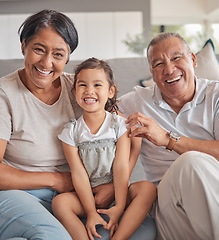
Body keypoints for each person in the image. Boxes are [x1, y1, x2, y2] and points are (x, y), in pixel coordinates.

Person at [0, 9, 155, 240]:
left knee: (143, 230)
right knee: (52, 236)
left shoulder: (80, 88)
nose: (46, 62)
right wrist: (56, 180)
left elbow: (121, 133)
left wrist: (113, 187)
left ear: (67, 57)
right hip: (9, 193)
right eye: (38, 49)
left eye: (58, 54)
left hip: (70, 197)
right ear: (23, 45)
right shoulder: (1, 93)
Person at [118, 32, 219, 239]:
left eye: (177, 58)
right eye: (158, 64)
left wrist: (169, 140)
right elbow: (93, 98)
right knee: (191, 162)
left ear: (193, 60)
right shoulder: (133, 102)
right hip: (175, 204)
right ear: (151, 71)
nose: (169, 69)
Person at [52, 57, 157, 240]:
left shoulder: (118, 125)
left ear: (111, 91)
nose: (89, 91)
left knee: (147, 189)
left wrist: (119, 204)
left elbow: (121, 166)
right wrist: (91, 212)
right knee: (60, 203)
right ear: (74, 91)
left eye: (97, 85)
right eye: (82, 85)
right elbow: (78, 174)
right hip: (88, 195)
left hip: (119, 190)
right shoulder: (71, 132)